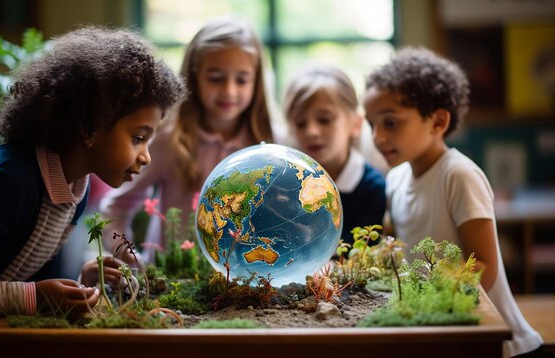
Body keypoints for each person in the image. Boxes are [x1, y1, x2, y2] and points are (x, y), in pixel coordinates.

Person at [0, 26, 185, 356]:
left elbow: (28, 285)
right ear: (89, 127)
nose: (146, 156)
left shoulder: (74, 190)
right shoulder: (9, 180)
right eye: (138, 138)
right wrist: (37, 296)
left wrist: (77, 285)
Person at [363, 47, 543, 357]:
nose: (378, 137)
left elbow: (484, 267)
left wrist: (429, 296)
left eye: (390, 123)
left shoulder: (458, 175)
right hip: (445, 331)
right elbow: (398, 250)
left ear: (437, 122)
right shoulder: (395, 179)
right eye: (372, 125)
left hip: (500, 343)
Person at [100, 16, 283, 266]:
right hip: (174, 283)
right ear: (194, 77)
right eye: (216, 78)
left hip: (246, 281)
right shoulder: (169, 140)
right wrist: (129, 258)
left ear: (257, 81)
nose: (229, 91)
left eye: (242, 80)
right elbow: (116, 206)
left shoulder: (272, 145)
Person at [282, 63, 386, 244]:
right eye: (300, 123)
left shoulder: (371, 187)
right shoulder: (284, 182)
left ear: (355, 124)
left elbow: (361, 252)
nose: (311, 131)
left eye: (324, 120)